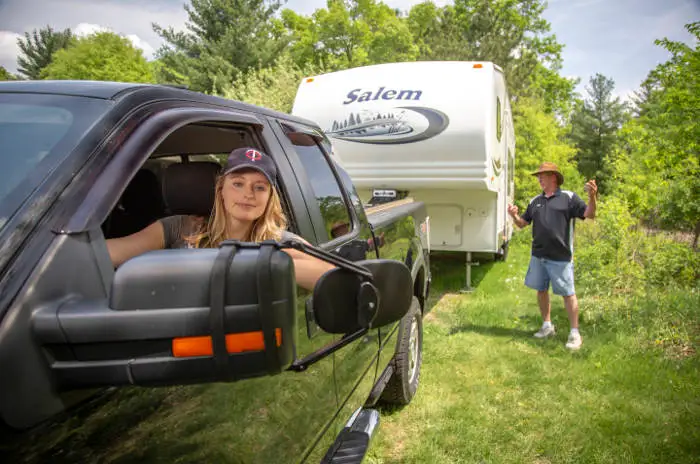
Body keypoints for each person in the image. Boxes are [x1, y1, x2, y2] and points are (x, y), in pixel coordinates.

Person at [107, 147, 335, 291]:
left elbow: (331, 276)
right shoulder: (178, 227)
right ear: (221, 190)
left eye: (259, 187)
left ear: (269, 198)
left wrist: (273, 263)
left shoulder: (279, 242)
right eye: (238, 184)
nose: (248, 194)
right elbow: (112, 253)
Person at [507, 162, 597, 350]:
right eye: (538, 176)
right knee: (541, 290)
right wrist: (514, 216)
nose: (539, 178)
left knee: (568, 294)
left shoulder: (568, 198)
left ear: (554, 177)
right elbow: (523, 223)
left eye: (542, 175)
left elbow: (589, 214)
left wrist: (592, 197)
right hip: (538, 256)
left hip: (561, 257)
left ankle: (574, 333)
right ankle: (547, 326)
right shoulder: (535, 201)